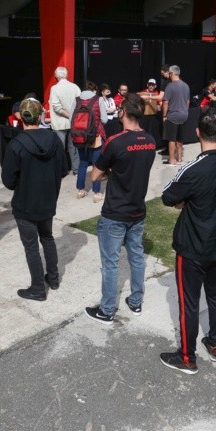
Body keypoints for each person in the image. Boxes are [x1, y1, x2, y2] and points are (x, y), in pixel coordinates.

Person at [158, 107, 216, 375]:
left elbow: (168, 196)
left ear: (197, 133)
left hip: (194, 247)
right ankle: (214, 342)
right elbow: (173, 196)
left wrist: (184, 200)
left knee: (189, 303)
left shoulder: (194, 168)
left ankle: (187, 356)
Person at [84, 93, 156, 324]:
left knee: (111, 263)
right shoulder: (150, 141)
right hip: (137, 210)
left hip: (115, 212)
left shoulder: (116, 141)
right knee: (136, 257)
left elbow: (94, 175)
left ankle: (106, 310)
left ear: (123, 112)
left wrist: (111, 172)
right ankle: (136, 301)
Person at [2, 98, 69, 301]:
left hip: (26, 204)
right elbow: (63, 169)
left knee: (32, 246)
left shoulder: (16, 145)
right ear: (40, 116)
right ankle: (53, 279)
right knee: (47, 238)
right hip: (47, 200)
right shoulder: (54, 140)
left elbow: (8, 181)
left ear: (21, 117)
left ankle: (38, 288)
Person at [75, 81, 107, 203]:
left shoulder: (76, 100)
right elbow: (104, 119)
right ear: (94, 90)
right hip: (95, 136)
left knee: (82, 163)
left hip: (79, 136)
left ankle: (80, 190)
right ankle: (96, 193)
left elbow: (71, 118)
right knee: (97, 164)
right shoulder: (99, 99)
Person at [48, 66, 82, 174]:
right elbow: (80, 104)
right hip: (73, 122)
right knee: (74, 147)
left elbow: (57, 108)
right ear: (66, 75)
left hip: (59, 123)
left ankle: (61, 171)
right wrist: (72, 116)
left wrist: (69, 116)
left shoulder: (55, 88)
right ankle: (76, 169)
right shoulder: (75, 87)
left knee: (60, 149)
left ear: (56, 76)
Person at [161, 65, 190, 166]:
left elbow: (165, 102)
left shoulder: (170, 86)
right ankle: (179, 159)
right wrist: (185, 111)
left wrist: (164, 116)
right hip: (184, 115)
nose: (168, 75)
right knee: (180, 138)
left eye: (169, 73)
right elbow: (187, 102)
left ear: (172, 73)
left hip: (173, 116)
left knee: (172, 139)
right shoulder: (186, 85)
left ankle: (172, 159)